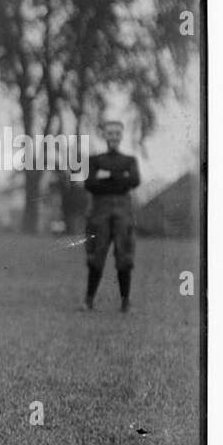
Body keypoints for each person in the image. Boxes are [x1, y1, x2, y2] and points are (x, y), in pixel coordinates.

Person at [84, 120, 140, 313]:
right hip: (100, 211)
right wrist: (118, 179)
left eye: (117, 133)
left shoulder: (129, 161)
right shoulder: (95, 160)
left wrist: (106, 178)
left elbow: (134, 180)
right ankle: (88, 301)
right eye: (110, 133)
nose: (113, 137)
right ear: (104, 136)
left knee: (124, 254)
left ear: (121, 136)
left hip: (123, 211)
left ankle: (125, 303)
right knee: (96, 254)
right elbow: (90, 183)